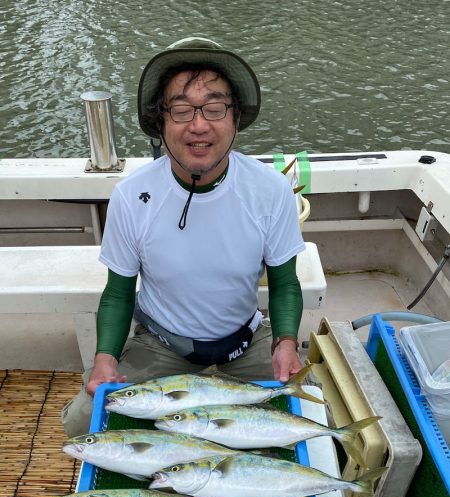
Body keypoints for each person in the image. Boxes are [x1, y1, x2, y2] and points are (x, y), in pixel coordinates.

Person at [62, 36, 306, 437]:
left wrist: (285, 342)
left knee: (310, 415)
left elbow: (285, 283)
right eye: (180, 109)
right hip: (161, 344)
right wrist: (105, 356)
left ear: (235, 118)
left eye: (214, 107)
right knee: (80, 423)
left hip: (245, 342)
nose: (198, 125)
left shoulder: (271, 189)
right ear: (160, 122)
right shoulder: (131, 195)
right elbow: (119, 292)